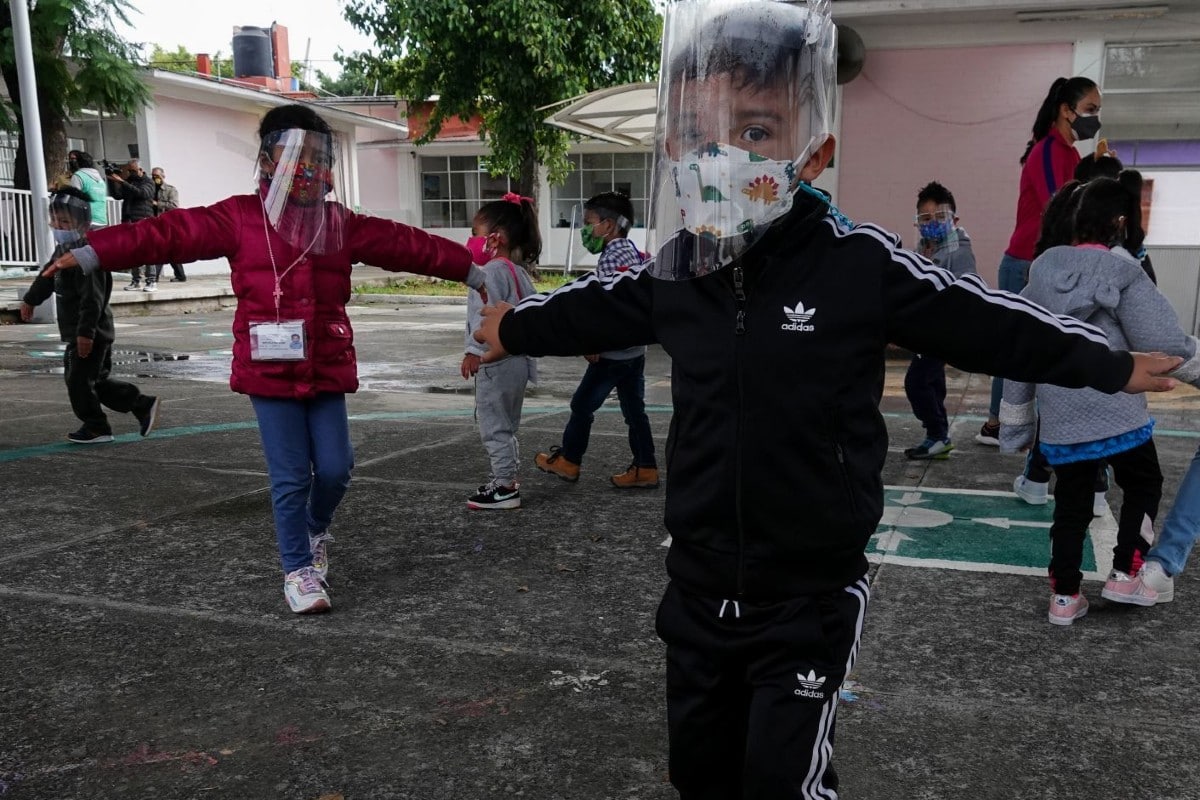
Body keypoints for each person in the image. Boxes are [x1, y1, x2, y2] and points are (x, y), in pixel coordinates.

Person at [470, 2, 1180, 795]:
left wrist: (1110, 364)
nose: (724, 156)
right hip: (698, 586)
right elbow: (588, 307)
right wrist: (514, 325)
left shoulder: (855, 264)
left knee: (785, 781)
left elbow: (985, 322)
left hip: (807, 595)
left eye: (757, 132)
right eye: (701, 132)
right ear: (671, 144)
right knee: (699, 774)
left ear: (814, 152)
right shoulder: (674, 270)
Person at [43, 103, 486, 615]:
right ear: (268, 161)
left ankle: (316, 529)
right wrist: (95, 250)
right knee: (292, 475)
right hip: (269, 369)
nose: (309, 168)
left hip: (325, 362)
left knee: (338, 469)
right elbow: (168, 233)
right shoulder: (238, 218)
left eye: (321, 158)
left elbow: (406, 245)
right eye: (295, 155)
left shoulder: (339, 224)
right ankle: (298, 570)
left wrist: (472, 270)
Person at [1000, 176, 1200, 624]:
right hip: (1120, 411)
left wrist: (1015, 427)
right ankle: (1124, 573)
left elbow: (1017, 358)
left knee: (1070, 506)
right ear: (1117, 223)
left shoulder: (1037, 283)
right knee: (1143, 484)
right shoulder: (1122, 273)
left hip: (1063, 422)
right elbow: (1162, 340)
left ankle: (1065, 598)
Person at [978, 75, 1103, 447]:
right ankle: (996, 424)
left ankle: (1028, 424)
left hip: (1047, 262)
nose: (1095, 118)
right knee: (1016, 347)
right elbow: (1059, 209)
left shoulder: (1071, 154)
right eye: (1090, 110)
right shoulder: (1047, 150)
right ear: (1067, 111)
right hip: (1024, 263)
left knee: (1039, 346)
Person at [534, 191, 659, 486]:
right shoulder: (631, 251)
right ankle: (646, 468)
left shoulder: (610, 259)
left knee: (582, 406)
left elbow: (605, 308)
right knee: (634, 411)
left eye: (589, 222)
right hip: (633, 353)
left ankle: (569, 461)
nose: (586, 230)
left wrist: (591, 341)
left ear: (609, 225)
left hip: (611, 355)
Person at [19, 187, 160, 444]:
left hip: (90, 332)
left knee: (78, 382)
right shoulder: (64, 249)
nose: (58, 226)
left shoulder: (86, 253)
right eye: (55, 220)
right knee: (94, 380)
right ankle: (140, 404)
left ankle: (97, 427)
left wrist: (85, 334)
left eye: (65, 222)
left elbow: (92, 299)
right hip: (87, 332)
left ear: (83, 224)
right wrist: (30, 299)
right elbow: (47, 277)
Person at [461, 193, 540, 510]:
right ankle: (506, 478)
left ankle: (505, 487)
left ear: (497, 238)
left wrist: (472, 351)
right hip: (517, 362)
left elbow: (484, 315)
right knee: (506, 425)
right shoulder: (518, 272)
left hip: (495, 361)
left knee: (494, 426)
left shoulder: (489, 273)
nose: (472, 241)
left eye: (476, 234)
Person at [902, 181, 976, 459]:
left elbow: (968, 286)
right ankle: (939, 435)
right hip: (926, 329)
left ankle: (936, 434)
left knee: (917, 383)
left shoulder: (958, 251)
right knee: (932, 382)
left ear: (954, 220)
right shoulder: (924, 247)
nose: (931, 223)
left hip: (943, 329)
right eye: (925, 218)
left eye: (939, 217)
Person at [106, 158, 158, 291]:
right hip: (128, 220)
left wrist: (122, 181)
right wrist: (112, 181)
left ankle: (151, 280)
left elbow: (142, 193)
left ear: (141, 169)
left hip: (143, 220)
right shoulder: (129, 181)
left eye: (133, 170)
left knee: (147, 251)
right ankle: (136, 281)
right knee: (132, 252)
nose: (130, 173)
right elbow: (118, 195)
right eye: (129, 170)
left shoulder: (149, 182)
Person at [150, 167, 186, 282]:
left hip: (168, 224)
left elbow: (174, 206)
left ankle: (154, 277)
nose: (155, 178)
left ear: (163, 176)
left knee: (161, 249)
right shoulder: (150, 190)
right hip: (154, 223)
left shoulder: (170, 190)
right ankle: (180, 275)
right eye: (153, 176)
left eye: (157, 176)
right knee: (170, 250)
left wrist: (157, 204)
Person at [66, 151, 108, 228]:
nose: (71, 162)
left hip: (86, 219)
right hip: (101, 219)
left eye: (74, 160)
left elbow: (73, 199)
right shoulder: (100, 179)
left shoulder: (78, 176)